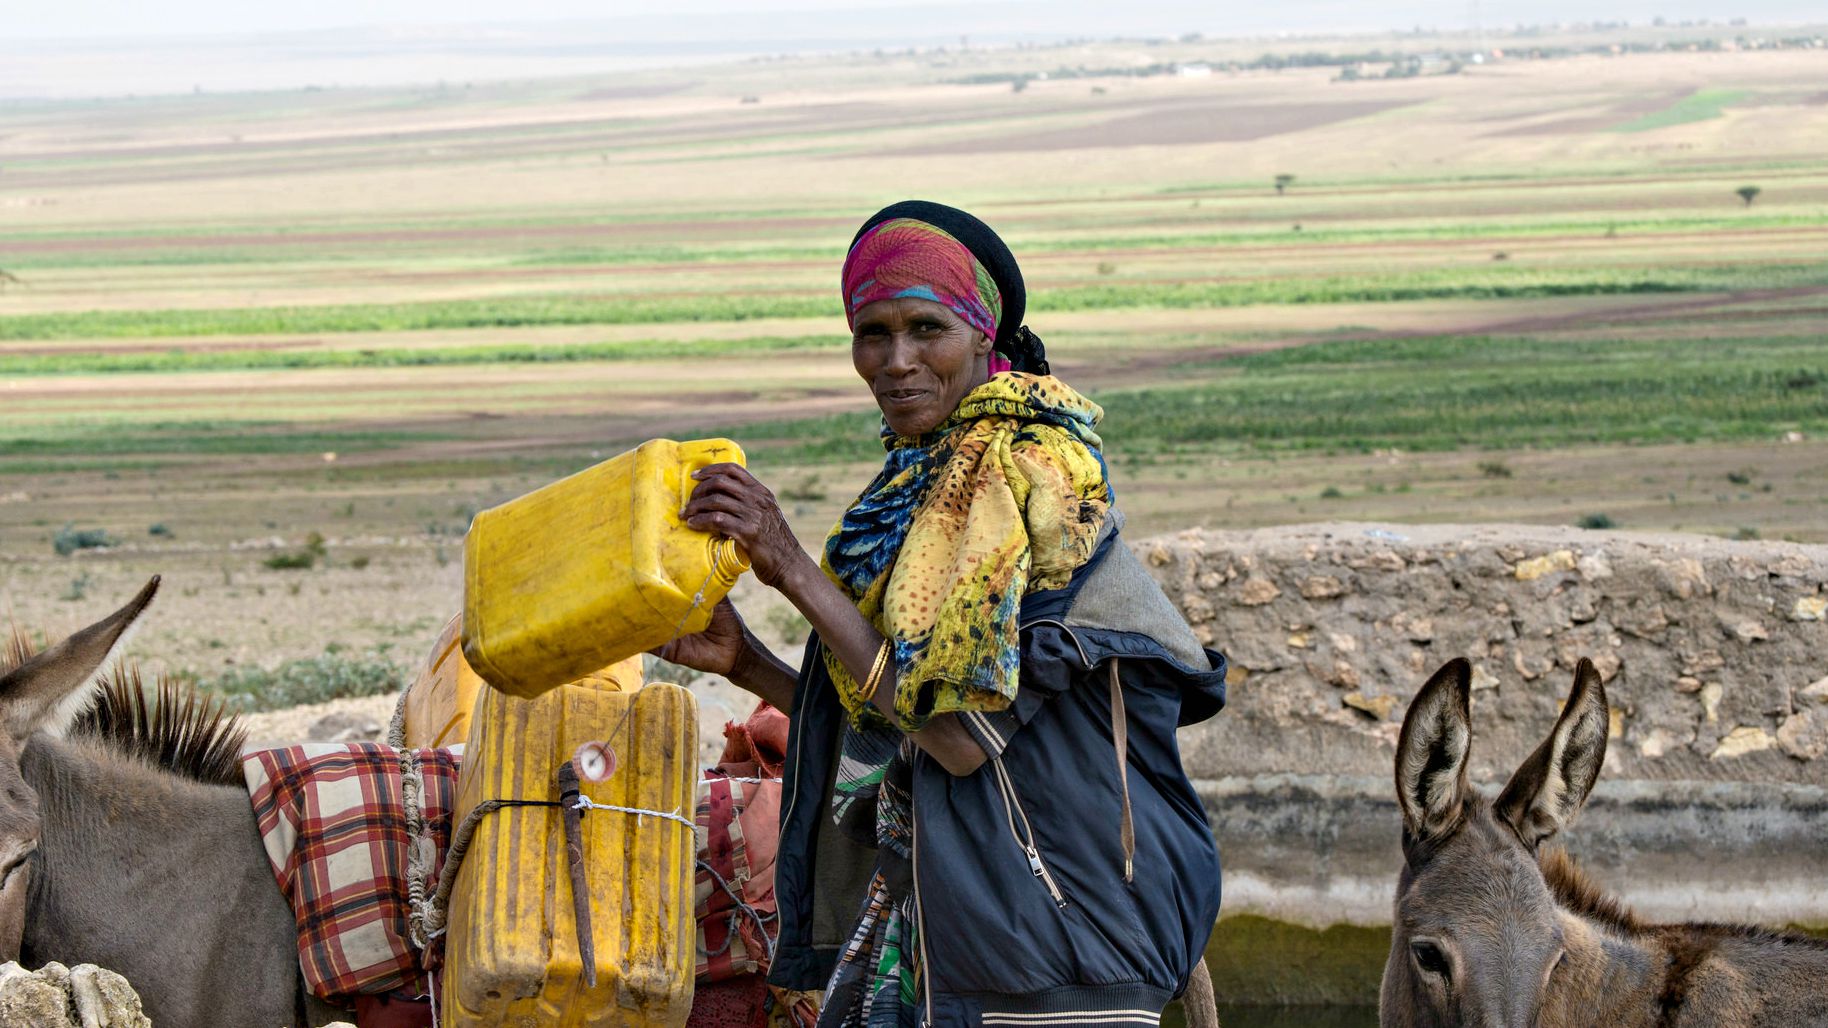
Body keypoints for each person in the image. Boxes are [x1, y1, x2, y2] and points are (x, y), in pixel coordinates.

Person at [658, 200, 1225, 1028]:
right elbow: (898, 730)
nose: (896, 361)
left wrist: (787, 567)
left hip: (1059, 950)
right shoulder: (924, 505)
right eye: (872, 333)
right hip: (963, 934)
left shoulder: (1031, 491)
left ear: (983, 336)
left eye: (927, 328)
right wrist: (746, 662)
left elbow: (955, 739)